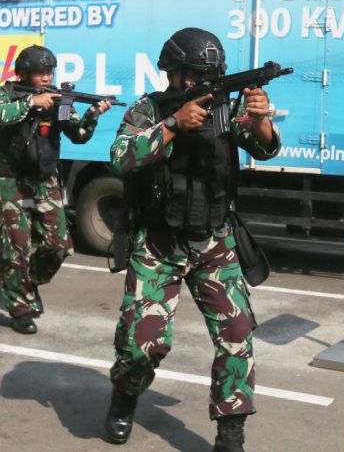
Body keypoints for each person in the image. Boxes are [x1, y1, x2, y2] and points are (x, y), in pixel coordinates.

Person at [103, 27, 281, 451]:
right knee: (143, 345)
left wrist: (260, 120)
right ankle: (124, 398)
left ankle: (231, 433)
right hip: (159, 243)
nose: (202, 84)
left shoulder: (226, 110)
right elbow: (120, 158)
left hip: (214, 243)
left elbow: (266, 149)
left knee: (237, 335)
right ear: (174, 73)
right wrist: (171, 125)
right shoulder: (148, 110)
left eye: (210, 75)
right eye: (194, 75)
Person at [0, 45, 112, 334]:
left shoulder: (58, 99)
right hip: (11, 182)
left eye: (49, 72)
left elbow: (78, 135)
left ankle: (29, 283)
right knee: (14, 247)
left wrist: (93, 114)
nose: (46, 78)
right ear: (24, 73)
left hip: (45, 180)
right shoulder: (7, 95)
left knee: (59, 246)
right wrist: (32, 103)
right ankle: (19, 309)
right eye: (40, 73)